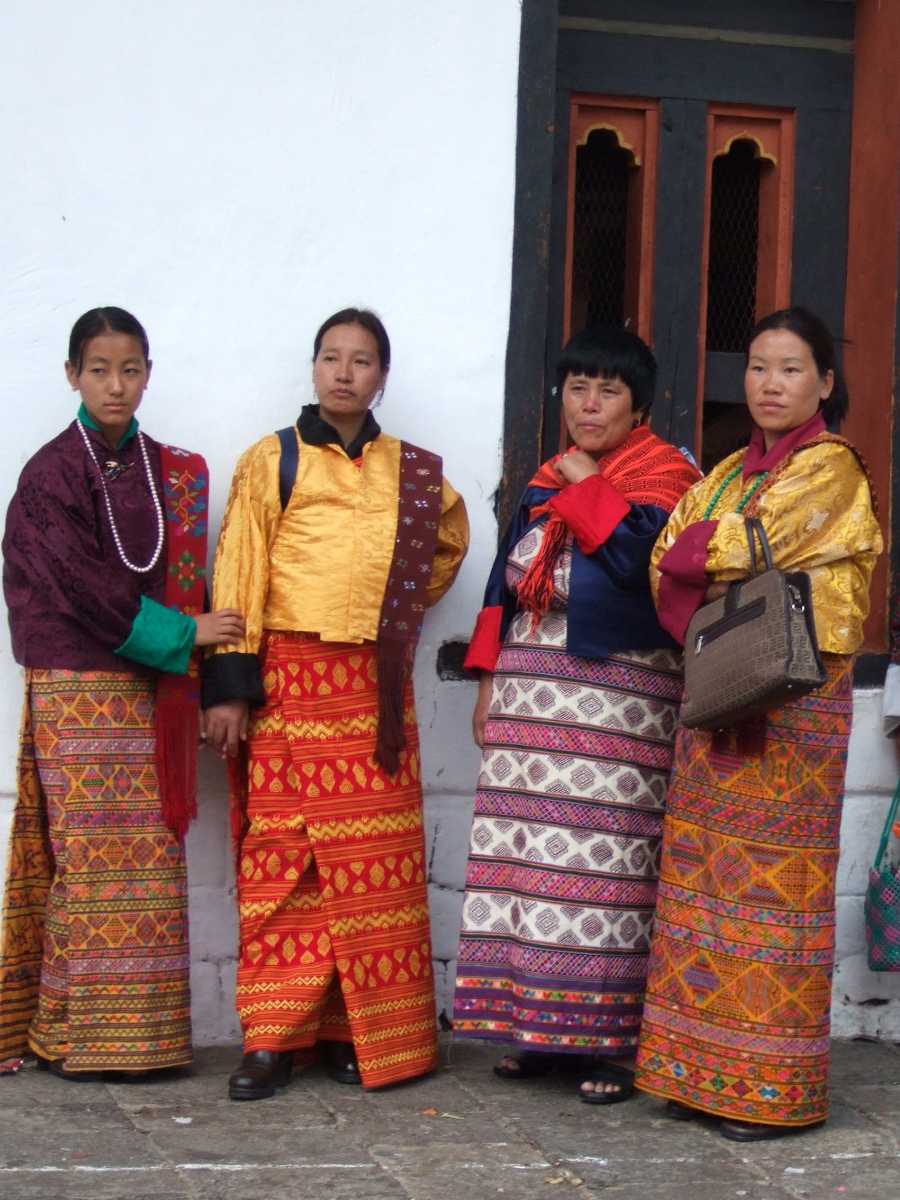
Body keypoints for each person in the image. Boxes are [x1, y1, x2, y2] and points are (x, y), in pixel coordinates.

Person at [203, 307, 469, 1099]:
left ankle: (363, 1035)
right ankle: (272, 1041)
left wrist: (388, 613)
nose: (345, 372)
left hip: (373, 690)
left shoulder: (414, 471)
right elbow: (239, 569)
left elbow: (446, 547)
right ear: (313, 369)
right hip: (289, 681)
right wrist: (230, 687)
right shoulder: (273, 460)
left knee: (371, 874)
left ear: (382, 375)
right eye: (331, 358)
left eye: (361, 360)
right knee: (285, 864)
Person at [634, 307, 882, 1140]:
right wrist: (704, 544)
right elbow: (668, 544)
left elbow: (735, 547)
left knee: (776, 893)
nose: (770, 385)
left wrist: (704, 546)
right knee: (701, 882)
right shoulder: (732, 467)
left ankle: (767, 1091)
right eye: (757, 369)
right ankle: (694, 1072)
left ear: (824, 384)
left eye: (789, 369)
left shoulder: (830, 467)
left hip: (796, 698)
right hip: (719, 689)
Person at [453, 326, 700, 1103]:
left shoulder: (669, 477)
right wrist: (488, 677)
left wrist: (590, 483)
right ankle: (537, 1030)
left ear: (640, 406)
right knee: (529, 862)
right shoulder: (542, 478)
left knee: (603, 867)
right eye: (577, 388)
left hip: (615, 698)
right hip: (532, 690)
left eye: (609, 391)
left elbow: (639, 569)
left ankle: (604, 1043)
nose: (589, 404)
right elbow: (503, 582)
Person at [0, 306, 243, 1079]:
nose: (116, 385)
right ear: (72, 374)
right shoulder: (50, 473)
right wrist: (183, 635)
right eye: (99, 369)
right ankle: (74, 1036)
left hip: (143, 695)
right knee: (87, 859)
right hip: (76, 688)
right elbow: (74, 585)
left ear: (148, 373)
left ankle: (123, 1039)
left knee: (143, 861)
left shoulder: (161, 469)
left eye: (130, 369)